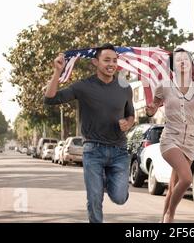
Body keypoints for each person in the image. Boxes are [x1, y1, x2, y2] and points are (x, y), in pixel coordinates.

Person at [44, 43, 135, 223]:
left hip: (119, 151)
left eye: (115, 60)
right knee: (94, 198)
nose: (111, 64)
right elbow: (50, 98)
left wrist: (128, 123)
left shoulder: (124, 87)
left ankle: (106, 181)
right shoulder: (83, 86)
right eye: (106, 60)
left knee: (120, 197)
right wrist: (57, 72)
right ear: (95, 62)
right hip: (93, 150)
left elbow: (131, 114)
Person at [146, 48, 194, 223]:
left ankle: (164, 220)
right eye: (179, 59)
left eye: (186, 58)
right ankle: (170, 214)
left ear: (192, 63)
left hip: (190, 141)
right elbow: (153, 107)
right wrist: (151, 109)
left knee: (173, 187)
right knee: (186, 179)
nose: (183, 61)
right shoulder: (164, 86)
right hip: (170, 138)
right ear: (174, 66)